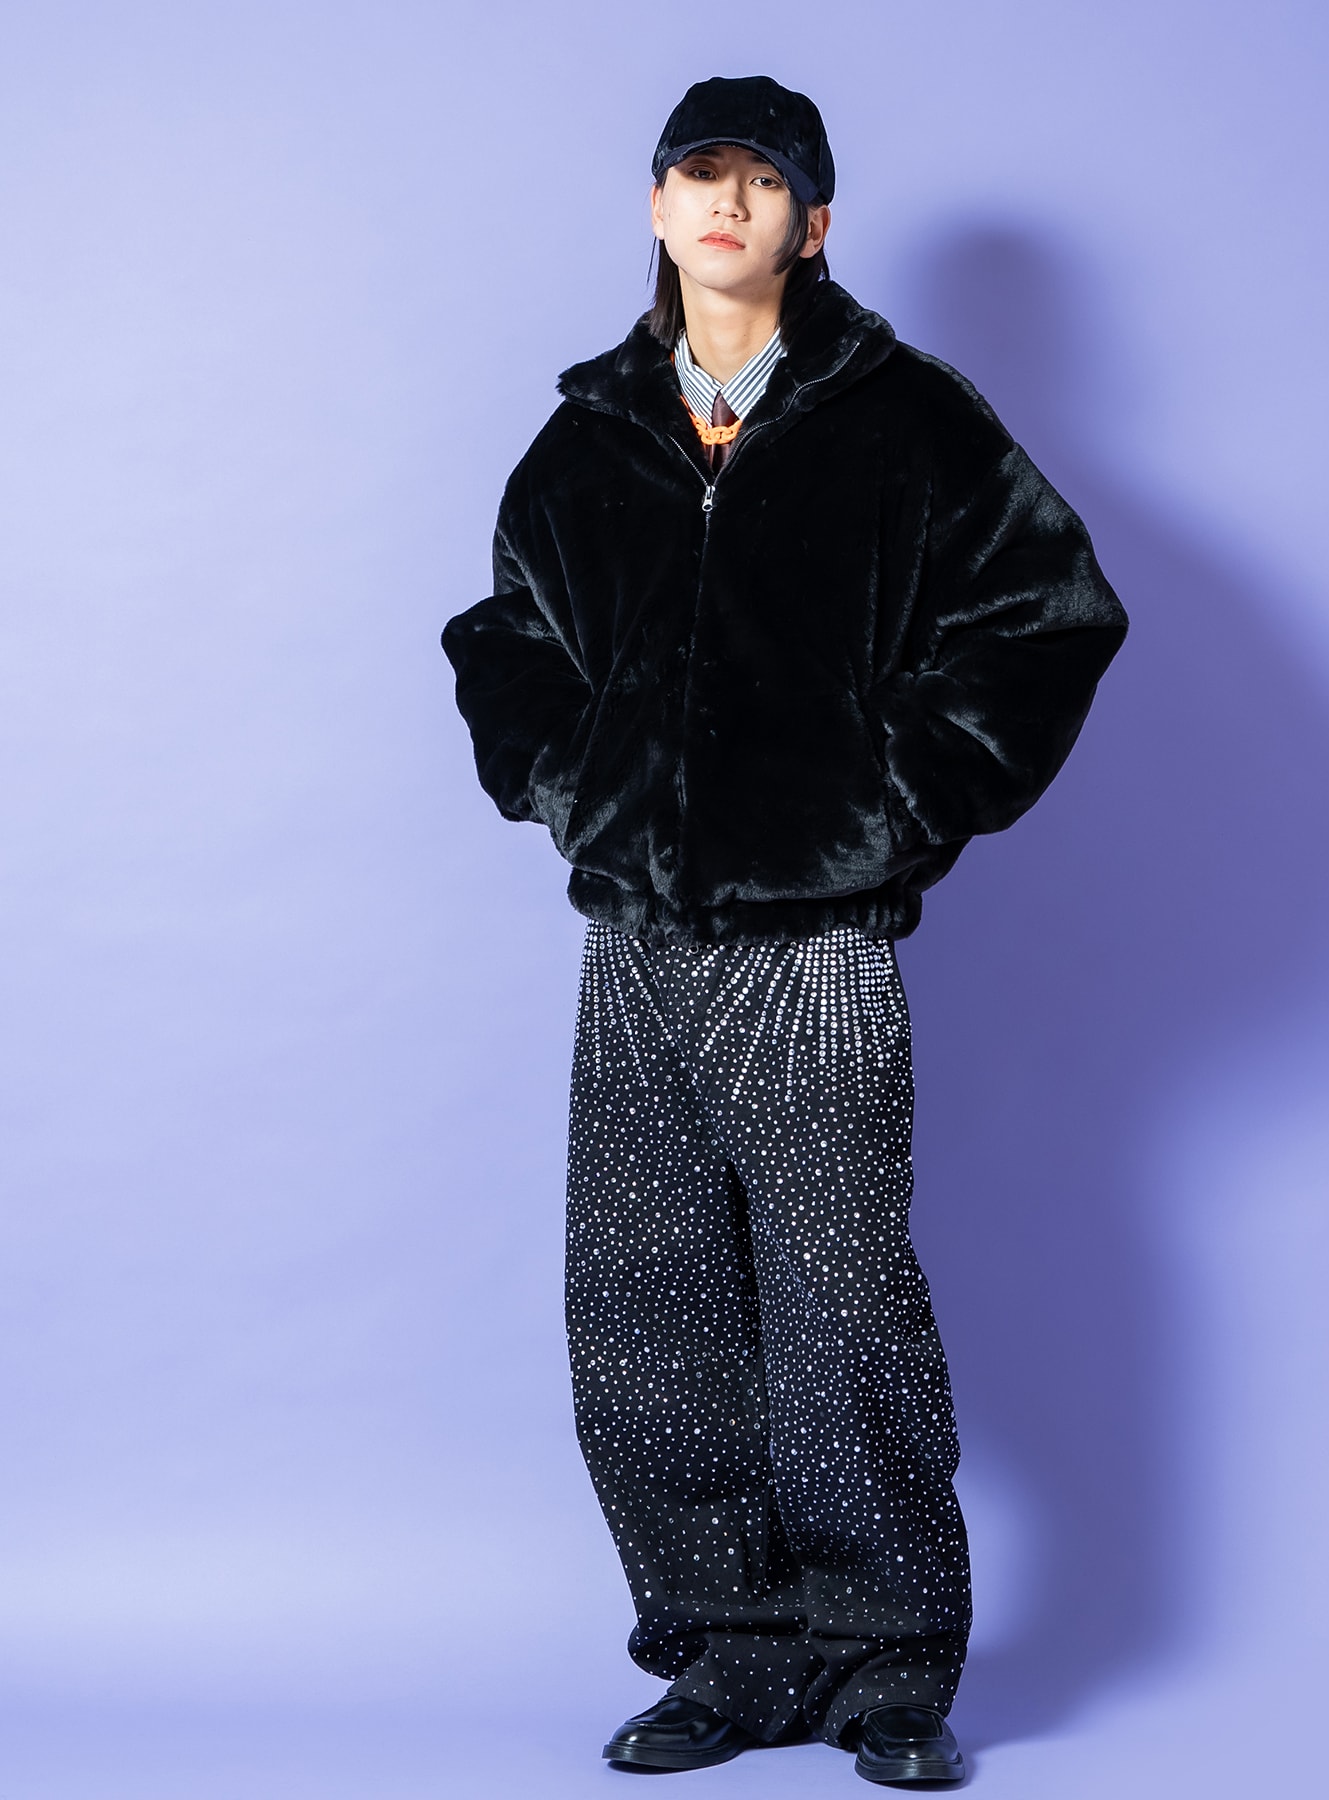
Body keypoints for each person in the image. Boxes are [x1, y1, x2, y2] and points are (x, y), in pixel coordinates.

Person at [442, 74, 1128, 1787]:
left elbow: (1049, 619)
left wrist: (884, 801)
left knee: (839, 1305)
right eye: (700, 173)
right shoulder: (591, 431)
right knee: (645, 1304)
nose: (727, 201)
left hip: (816, 940)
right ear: (657, 208)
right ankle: (728, 1651)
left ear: (814, 223)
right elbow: (506, 638)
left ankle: (886, 1662)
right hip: (639, 944)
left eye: (764, 180)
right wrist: (575, 786)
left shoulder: (908, 419)